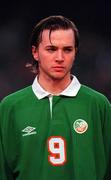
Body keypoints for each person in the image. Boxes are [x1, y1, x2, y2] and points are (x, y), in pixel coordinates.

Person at [0, 15, 111, 180]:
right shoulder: (10, 106)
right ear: (35, 52)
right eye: (51, 49)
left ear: (75, 53)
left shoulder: (98, 104)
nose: (60, 58)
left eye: (67, 49)